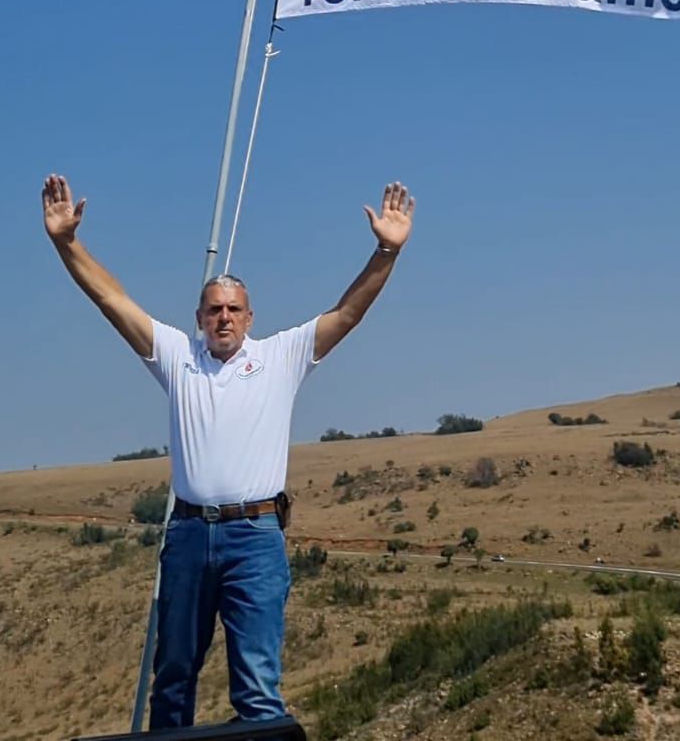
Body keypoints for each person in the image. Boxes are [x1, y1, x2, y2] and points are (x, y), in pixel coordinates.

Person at [41, 172, 415, 729]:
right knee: (172, 682)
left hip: (255, 539)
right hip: (189, 536)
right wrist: (66, 242)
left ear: (250, 317)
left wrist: (386, 250)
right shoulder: (176, 356)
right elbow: (110, 298)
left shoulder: (281, 358)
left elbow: (347, 314)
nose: (224, 318)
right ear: (199, 318)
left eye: (234, 309)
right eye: (214, 309)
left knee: (258, 690)